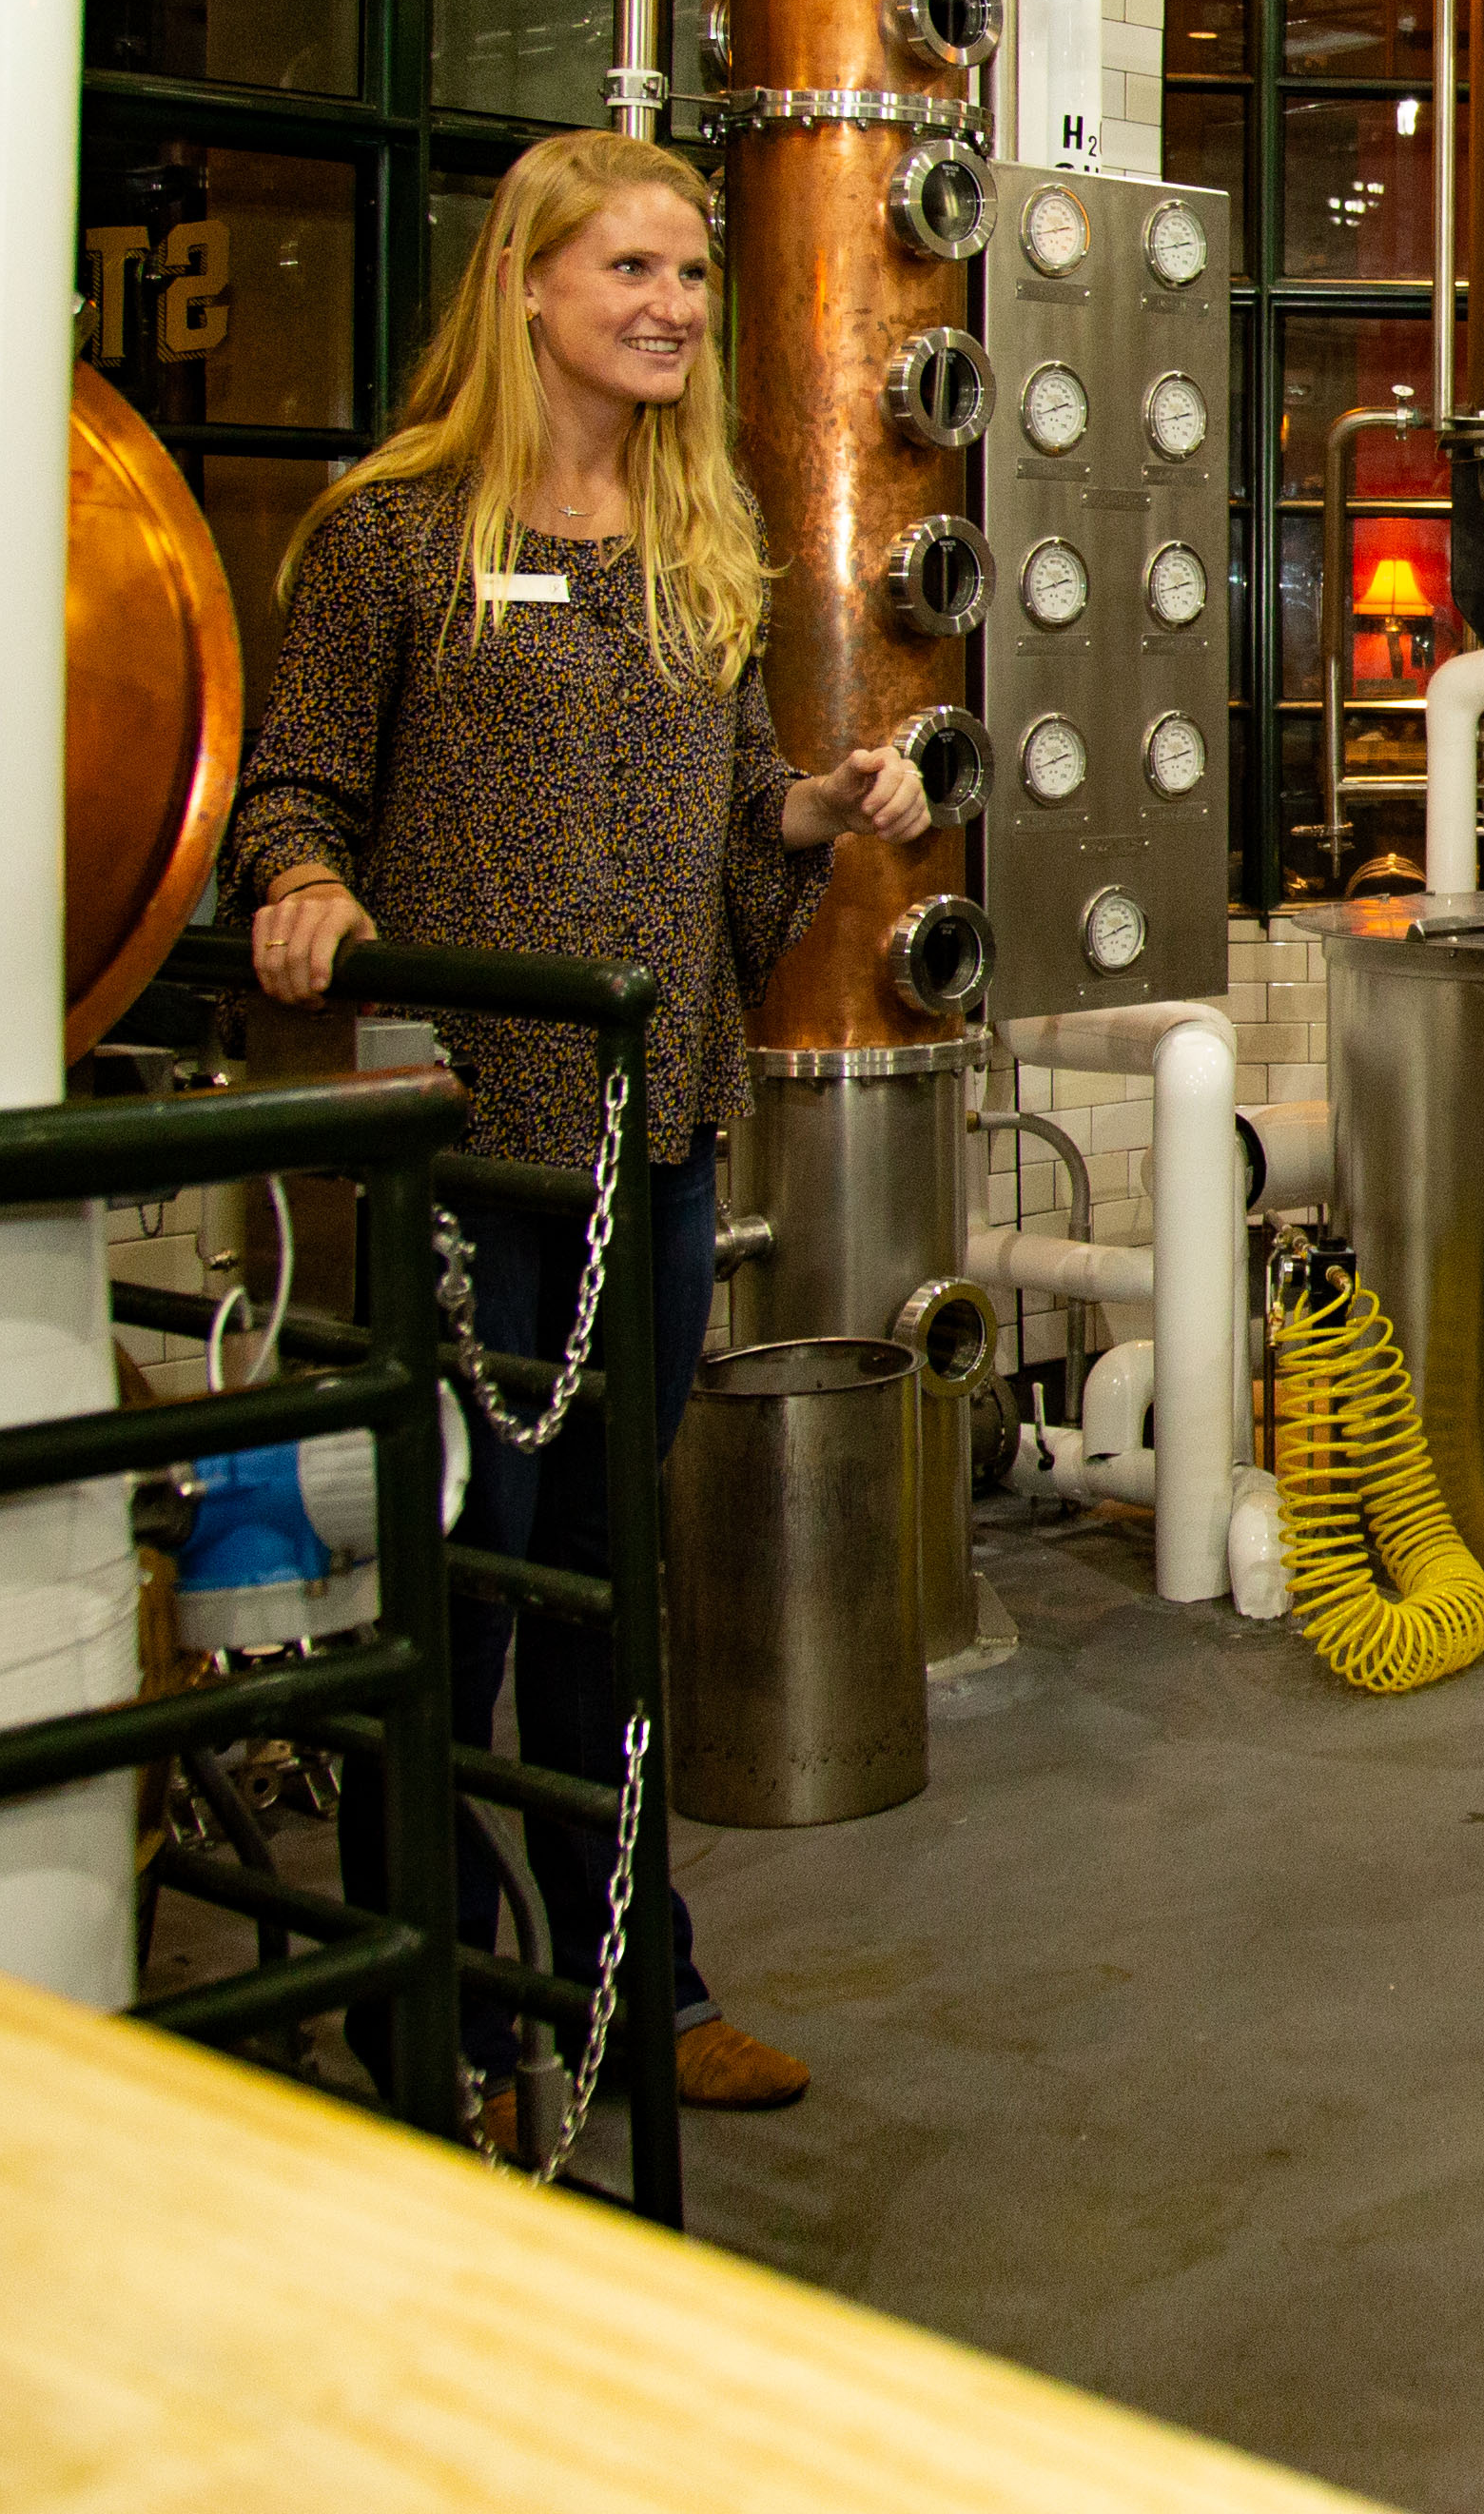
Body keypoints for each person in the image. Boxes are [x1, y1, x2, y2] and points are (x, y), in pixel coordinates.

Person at [230, 128, 932, 2130]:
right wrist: (300, 893)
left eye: (695, 278)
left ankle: (638, 1986)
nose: (672, 309)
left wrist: (818, 806)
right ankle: (438, 2019)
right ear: (528, 281)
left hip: (658, 1147)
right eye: (633, 270)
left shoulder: (697, 539)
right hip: (469, 1151)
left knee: (606, 1603)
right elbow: (291, 793)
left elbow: (725, 819)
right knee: (458, 1605)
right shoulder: (393, 536)